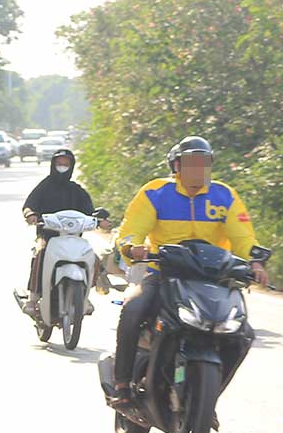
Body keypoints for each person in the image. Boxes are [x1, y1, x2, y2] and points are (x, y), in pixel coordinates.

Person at [109, 135, 266, 406]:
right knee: (133, 309)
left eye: (204, 164)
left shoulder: (224, 196)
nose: (198, 170)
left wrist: (254, 262)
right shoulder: (155, 193)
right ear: (176, 167)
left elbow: (243, 237)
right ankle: (122, 386)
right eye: (191, 164)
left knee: (243, 335)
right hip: (164, 275)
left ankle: (208, 398)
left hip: (212, 280)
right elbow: (130, 232)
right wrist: (132, 248)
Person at [21, 149, 98, 311]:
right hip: (48, 237)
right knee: (39, 254)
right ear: (53, 165)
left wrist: (101, 219)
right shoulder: (44, 186)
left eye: (66, 164)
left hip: (74, 237)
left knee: (93, 257)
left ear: (71, 167)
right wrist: (31, 214)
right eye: (59, 164)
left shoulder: (76, 189)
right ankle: (33, 298)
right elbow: (30, 204)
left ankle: (85, 296)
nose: (62, 167)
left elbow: (90, 210)